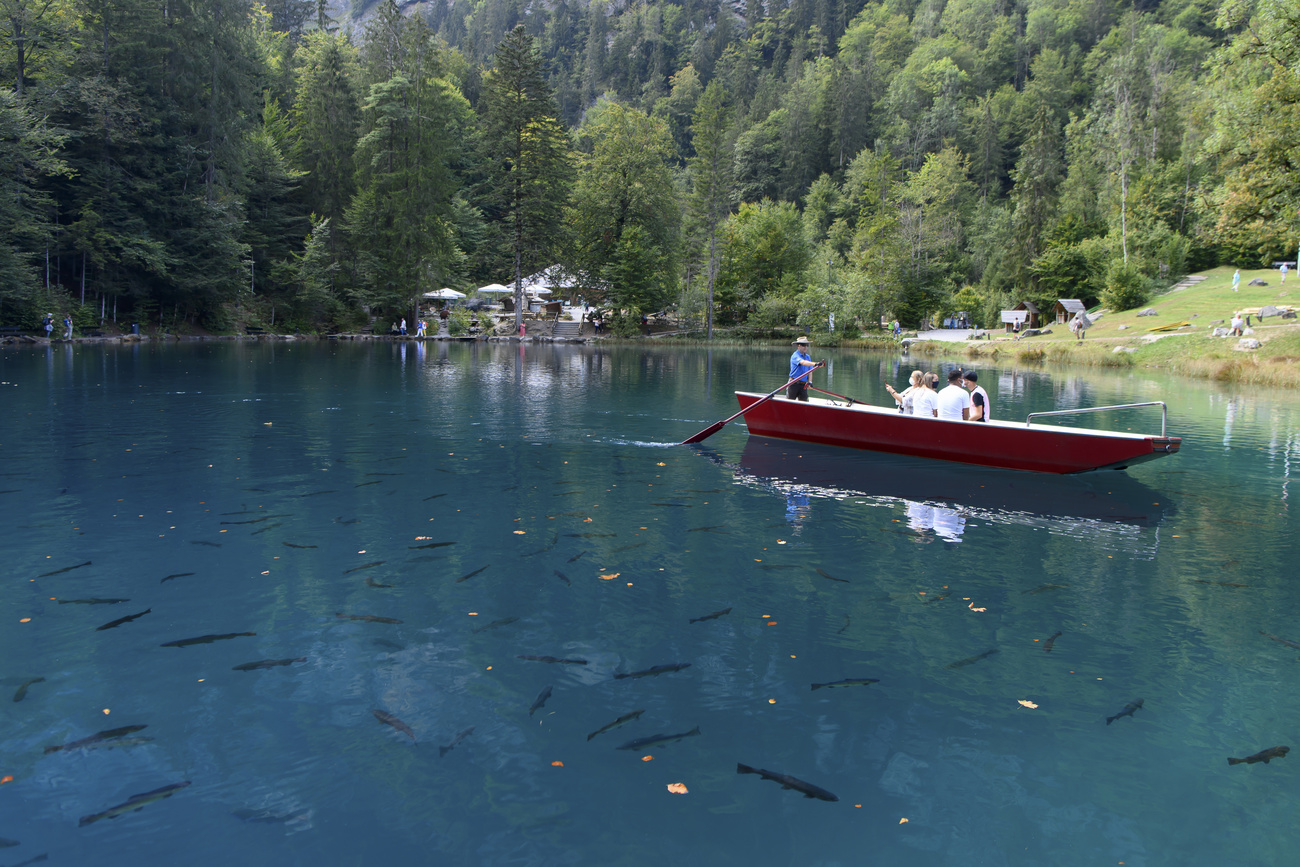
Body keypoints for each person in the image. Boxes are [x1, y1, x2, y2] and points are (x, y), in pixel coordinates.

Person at [787, 336, 819, 401]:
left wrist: (810, 382)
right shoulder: (795, 355)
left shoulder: (808, 357)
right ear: (798, 346)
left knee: (804, 403)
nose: (806, 347)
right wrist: (815, 364)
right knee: (790, 404)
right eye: (803, 345)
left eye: (807, 345)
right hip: (793, 383)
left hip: (803, 385)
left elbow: (810, 371)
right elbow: (803, 362)